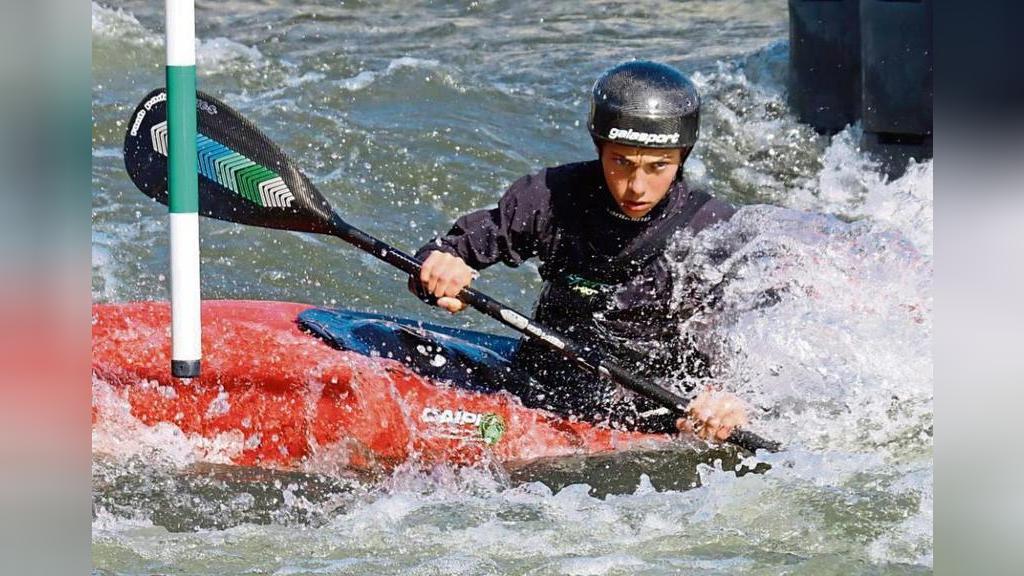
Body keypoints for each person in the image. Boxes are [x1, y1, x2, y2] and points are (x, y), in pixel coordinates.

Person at [409, 60, 748, 443]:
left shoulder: (712, 231)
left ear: (682, 157)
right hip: (542, 384)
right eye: (621, 162)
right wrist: (440, 268)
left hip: (653, 411)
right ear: (599, 147)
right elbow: (448, 250)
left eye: (658, 166)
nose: (637, 187)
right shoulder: (551, 196)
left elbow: (744, 330)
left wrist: (728, 396)